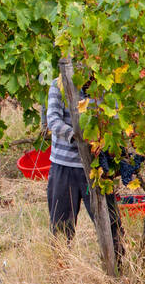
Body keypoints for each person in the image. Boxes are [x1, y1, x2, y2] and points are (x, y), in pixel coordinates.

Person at [45, 72, 123, 254]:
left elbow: (116, 119)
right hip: (64, 167)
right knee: (61, 226)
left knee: (111, 223)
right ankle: (60, 272)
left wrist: (106, 141)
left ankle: (117, 268)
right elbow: (53, 121)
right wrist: (78, 137)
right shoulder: (59, 85)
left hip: (96, 168)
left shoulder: (106, 88)